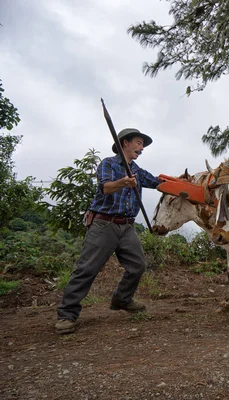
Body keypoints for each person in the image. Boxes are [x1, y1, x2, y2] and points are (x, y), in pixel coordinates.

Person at [55, 128, 162, 335]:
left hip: (127, 226)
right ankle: (67, 315)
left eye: (142, 145)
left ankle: (122, 299)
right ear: (125, 143)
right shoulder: (109, 164)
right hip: (104, 224)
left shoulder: (138, 171)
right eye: (138, 143)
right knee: (86, 269)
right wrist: (123, 182)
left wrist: (182, 181)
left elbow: (158, 182)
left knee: (138, 265)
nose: (141, 148)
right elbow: (105, 188)